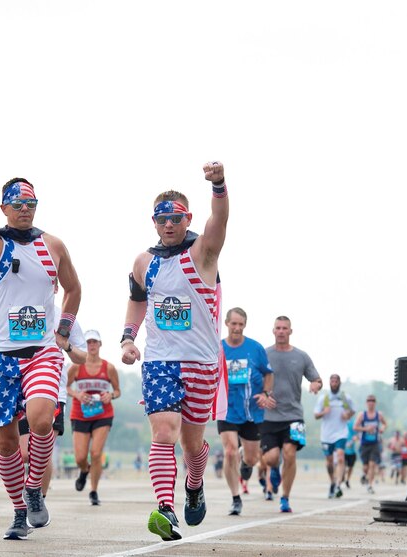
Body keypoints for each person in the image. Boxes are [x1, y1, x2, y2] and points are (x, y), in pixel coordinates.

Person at [0, 167, 81, 540]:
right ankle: (18, 510)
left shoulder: (53, 246)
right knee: (6, 442)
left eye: (30, 202)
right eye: (17, 203)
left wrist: (62, 331)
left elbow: (74, 289)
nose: (25, 209)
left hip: (41, 351)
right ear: (4, 208)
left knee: (42, 421)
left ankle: (33, 489)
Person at [120, 161, 228, 541]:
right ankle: (165, 508)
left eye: (176, 218)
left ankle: (194, 484)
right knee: (164, 432)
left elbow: (219, 222)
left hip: (201, 362)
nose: (169, 224)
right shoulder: (142, 262)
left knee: (192, 444)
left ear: (187, 218)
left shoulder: (203, 253)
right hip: (160, 361)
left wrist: (219, 185)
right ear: (153, 221)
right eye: (162, 218)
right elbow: (136, 302)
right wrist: (128, 338)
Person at [19, 307, 87, 498]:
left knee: (42, 447)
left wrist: (66, 345)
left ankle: (38, 500)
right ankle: (28, 496)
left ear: (55, 286)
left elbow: (82, 357)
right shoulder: (15, 306)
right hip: (20, 387)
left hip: (54, 390)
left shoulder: (63, 316)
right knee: (25, 453)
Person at [261, 316, 323, 513]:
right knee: (271, 459)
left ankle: (285, 498)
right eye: (278, 328)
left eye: (284, 328)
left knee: (290, 454)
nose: (281, 331)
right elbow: (251, 378)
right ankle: (274, 471)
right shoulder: (264, 354)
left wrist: (315, 384)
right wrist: (261, 396)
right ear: (273, 331)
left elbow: (317, 379)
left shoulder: (301, 356)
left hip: (294, 415)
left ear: (290, 331)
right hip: (268, 416)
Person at [219, 307, 275, 516]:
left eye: (240, 324)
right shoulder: (218, 348)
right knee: (229, 450)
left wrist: (266, 393)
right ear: (226, 324)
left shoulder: (255, 348)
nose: (237, 328)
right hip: (226, 409)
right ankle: (235, 498)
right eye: (233, 324)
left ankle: (245, 459)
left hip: (252, 411)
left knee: (252, 459)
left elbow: (268, 374)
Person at [67, 329, 121, 506]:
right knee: (80, 457)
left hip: (102, 414)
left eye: (94, 342)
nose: (91, 345)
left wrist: (110, 396)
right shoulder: (76, 366)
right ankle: (84, 470)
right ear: (84, 344)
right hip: (80, 414)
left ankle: (93, 490)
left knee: (96, 453)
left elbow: (118, 391)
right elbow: (66, 387)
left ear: (100, 344)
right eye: (88, 342)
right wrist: (77, 395)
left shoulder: (109, 368)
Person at [313, 374, 355, 498]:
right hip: (326, 435)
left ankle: (338, 485)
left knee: (341, 457)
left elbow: (352, 411)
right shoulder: (324, 398)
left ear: (340, 383)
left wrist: (348, 415)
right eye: (332, 381)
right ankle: (332, 481)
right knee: (329, 462)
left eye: (336, 381)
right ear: (329, 383)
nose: (334, 383)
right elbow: (315, 415)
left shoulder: (345, 398)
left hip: (341, 432)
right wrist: (323, 412)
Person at [353, 394, 386, 494]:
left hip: (375, 443)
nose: (371, 402)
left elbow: (385, 423)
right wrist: (366, 429)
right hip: (364, 444)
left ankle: (370, 485)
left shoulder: (379, 415)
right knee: (366, 467)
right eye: (369, 401)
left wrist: (382, 429)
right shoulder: (362, 415)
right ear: (366, 403)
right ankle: (364, 475)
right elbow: (355, 427)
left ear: (375, 403)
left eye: (373, 401)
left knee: (372, 465)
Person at [342, 416, 358, 489]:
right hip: (342, 448)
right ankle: (341, 477)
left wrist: (354, 438)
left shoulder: (354, 421)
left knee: (350, 467)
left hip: (351, 449)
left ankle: (347, 480)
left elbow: (357, 433)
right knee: (343, 466)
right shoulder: (341, 420)